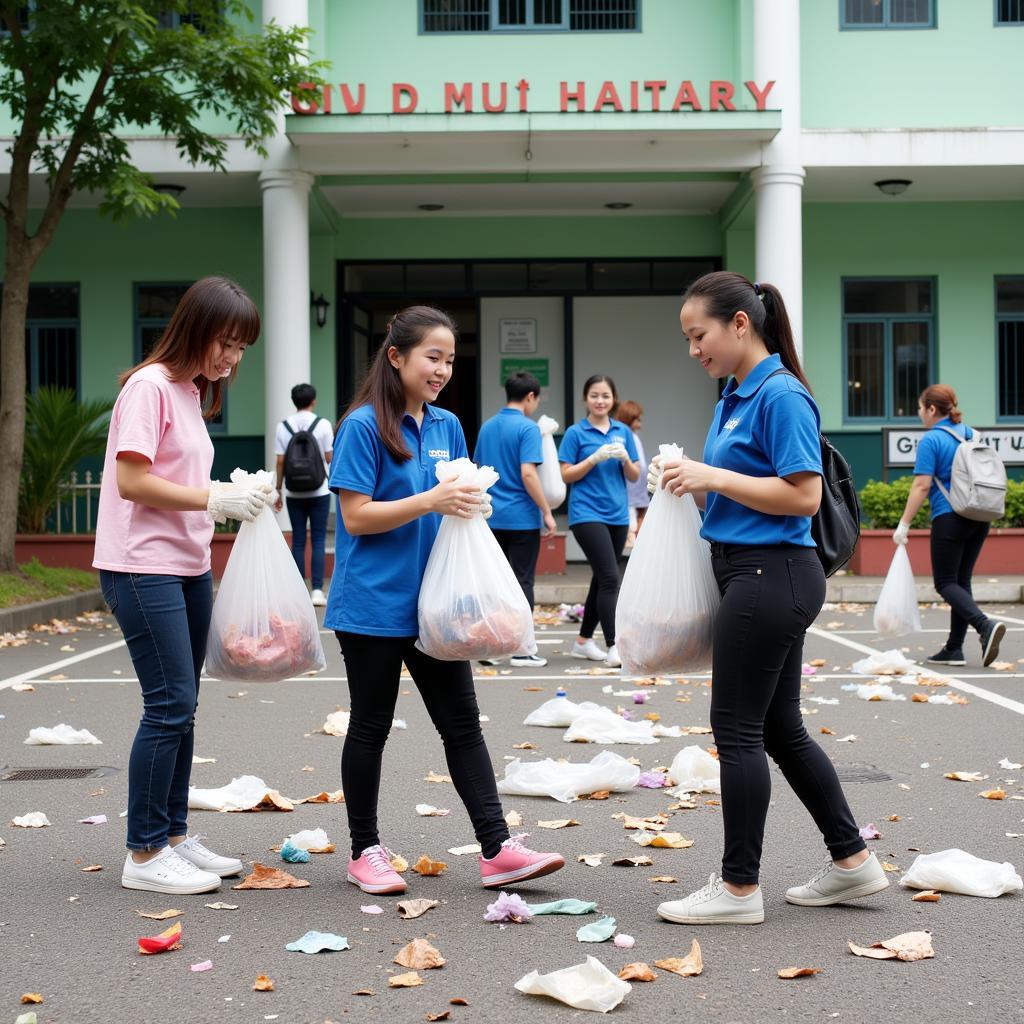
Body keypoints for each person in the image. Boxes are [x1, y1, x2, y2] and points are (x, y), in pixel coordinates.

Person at [650, 271, 887, 926]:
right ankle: (851, 860)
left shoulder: (780, 395)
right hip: (754, 574)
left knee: (737, 730)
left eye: (698, 335)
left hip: (769, 576)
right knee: (779, 728)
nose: (693, 349)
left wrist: (711, 475)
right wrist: (690, 483)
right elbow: (743, 490)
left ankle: (737, 889)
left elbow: (802, 496)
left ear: (740, 324)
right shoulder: (734, 393)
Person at [324, 305, 565, 896]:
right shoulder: (361, 427)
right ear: (396, 355)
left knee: (462, 724)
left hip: (438, 605)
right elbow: (356, 518)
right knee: (371, 725)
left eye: (450, 360)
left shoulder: (448, 426)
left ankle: (497, 848)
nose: (442, 369)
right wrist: (432, 500)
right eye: (433, 356)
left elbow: (455, 504)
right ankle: (365, 851)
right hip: (374, 605)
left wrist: (470, 506)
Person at [93, 277, 274, 895]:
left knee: (184, 705)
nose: (233, 358)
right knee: (168, 705)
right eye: (226, 341)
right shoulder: (149, 387)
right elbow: (132, 482)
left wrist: (232, 491)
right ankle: (143, 856)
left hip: (187, 562)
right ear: (195, 329)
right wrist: (214, 496)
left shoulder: (192, 392)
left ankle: (172, 834)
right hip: (142, 566)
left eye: (242, 347)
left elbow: (179, 476)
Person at [893, 385, 1005, 668]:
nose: (919, 414)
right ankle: (954, 648)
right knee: (961, 581)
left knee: (945, 583)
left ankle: (984, 625)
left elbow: (922, 485)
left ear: (932, 409)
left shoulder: (932, 440)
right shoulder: (972, 434)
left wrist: (904, 524)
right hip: (980, 516)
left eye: (920, 408)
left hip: (949, 517)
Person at [473, 371, 557, 669]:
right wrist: (546, 510)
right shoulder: (528, 428)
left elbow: (479, 469)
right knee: (522, 581)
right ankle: (522, 649)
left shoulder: (487, 427)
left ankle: (491, 646)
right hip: (521, 518)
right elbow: (528, 473)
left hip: (491, 517)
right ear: (531, 397)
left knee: (493, 583)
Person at [558, 375, 641, 668]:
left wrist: (624, 461)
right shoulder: (575, 433)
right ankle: (614, 644)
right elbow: (566, 475)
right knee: (610, 578)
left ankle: (582, 641)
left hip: (617, 513)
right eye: (594, 395)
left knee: (601, 578)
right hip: (586, 514)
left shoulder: (623, 431)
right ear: (585, 399)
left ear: (613, 399)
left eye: (605, 396)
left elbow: (634, 476)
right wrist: (593, 459)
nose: (600, 401)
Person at [274, 382, 334, 606]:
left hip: (293, 491)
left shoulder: (283, 427)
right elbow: (329, 458)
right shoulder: (323, 425)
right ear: (313, 401)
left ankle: (299, 590)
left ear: (294, 401)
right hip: (320, 490)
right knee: (318, 539)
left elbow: (280, 462)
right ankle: (317, 591)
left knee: (298, 540)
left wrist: (278, 489)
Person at [617, 399, 650, 547]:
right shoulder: (625, 436)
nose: (640, 424)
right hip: (630, 491)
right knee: (631, 529)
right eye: (637, 419)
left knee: (638, 527)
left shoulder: (633, 436)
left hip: (639, 490)